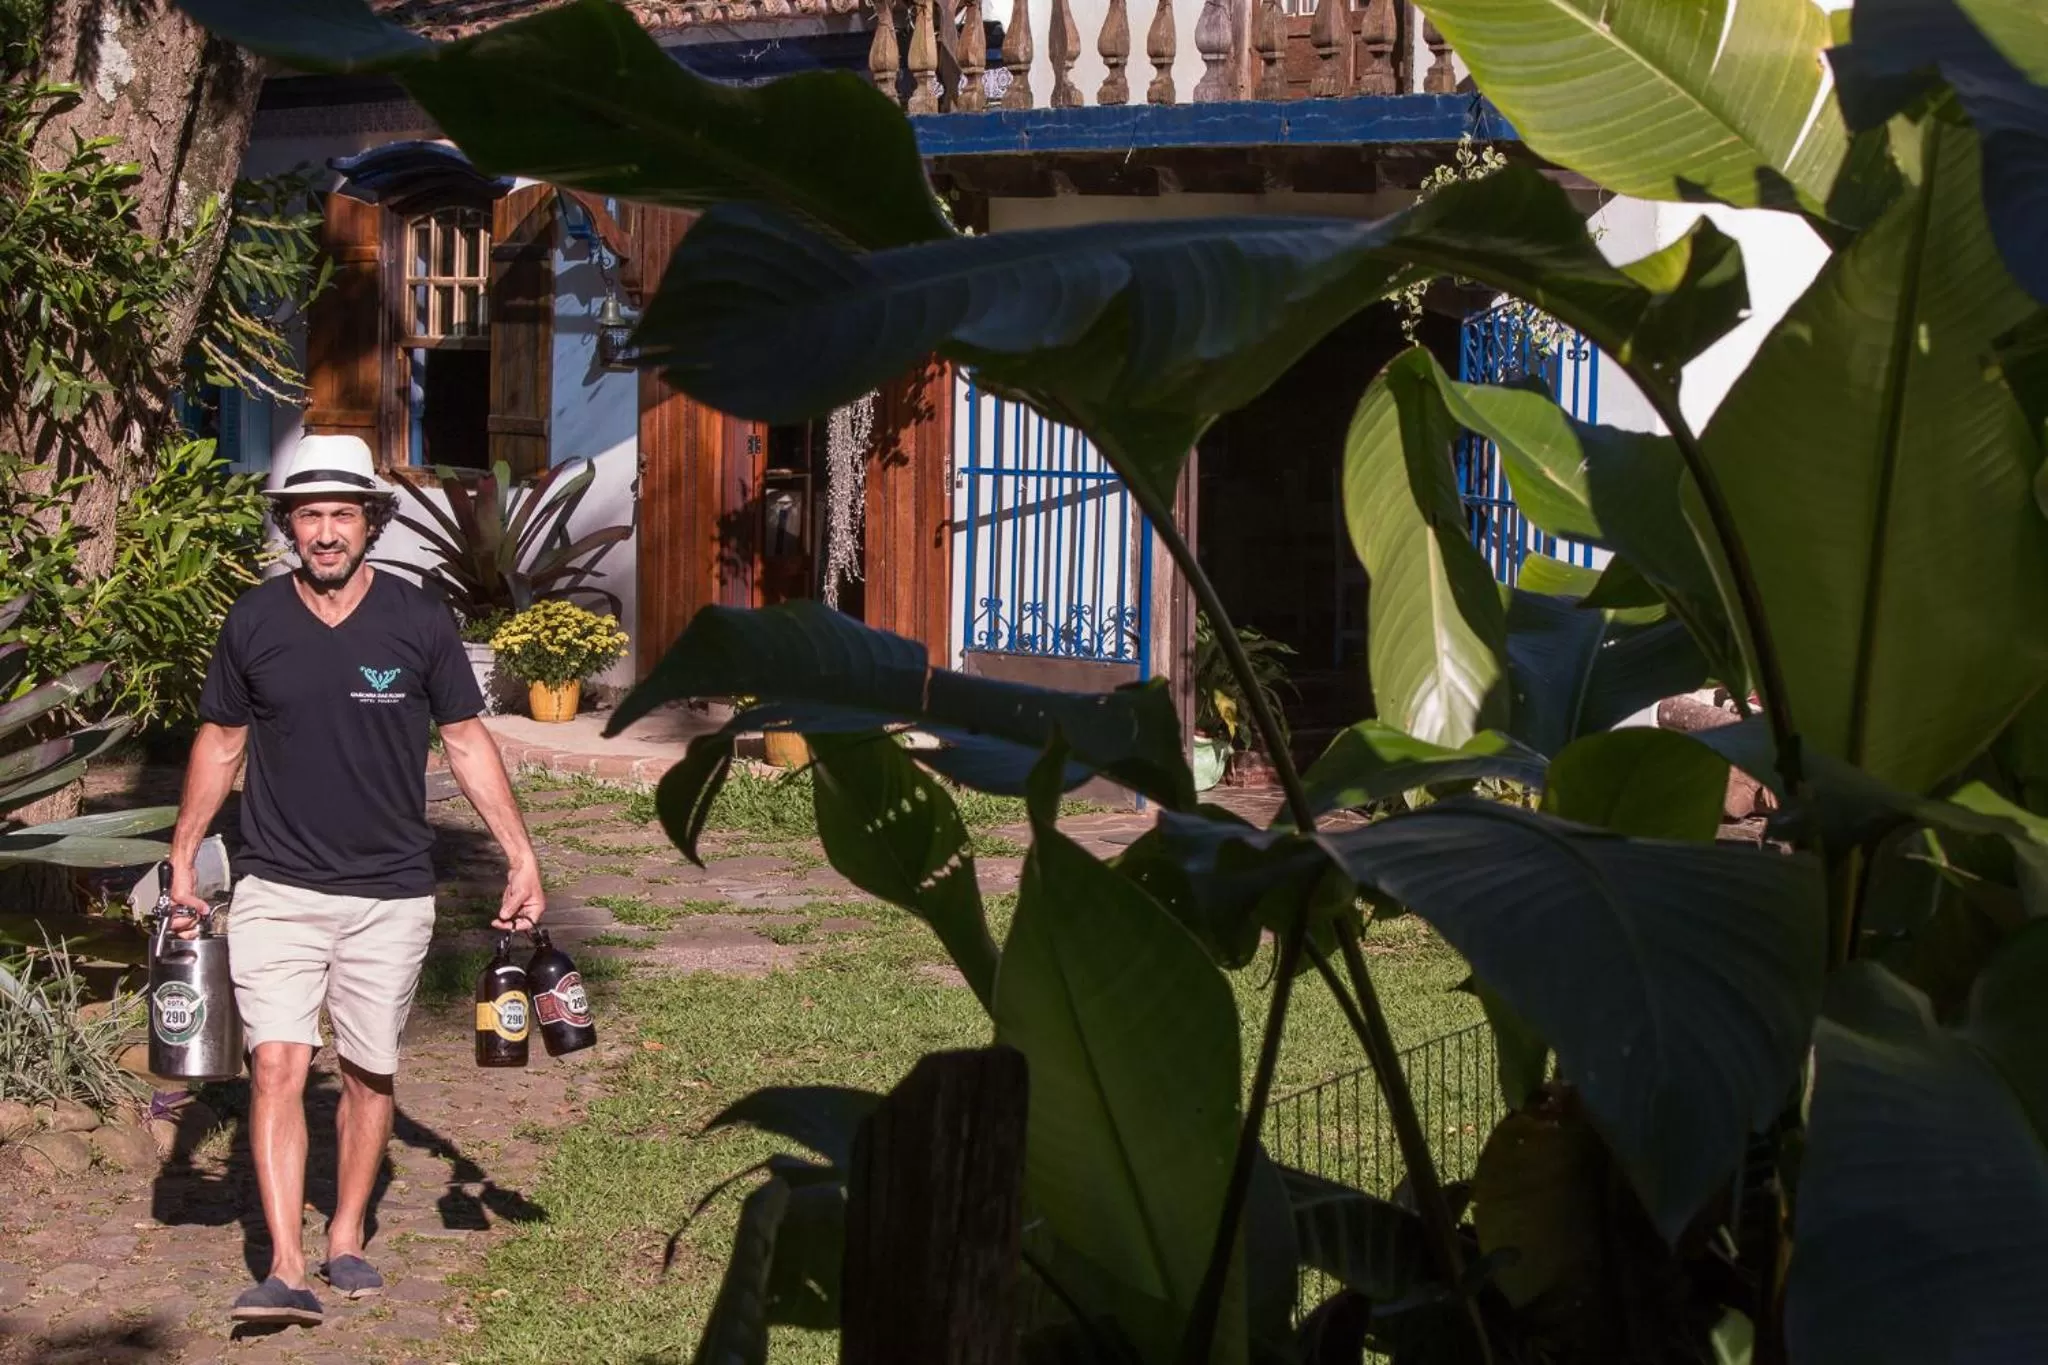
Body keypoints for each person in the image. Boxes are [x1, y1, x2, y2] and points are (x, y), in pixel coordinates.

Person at [164, 433, 545, 1327]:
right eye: (309, 515)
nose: (326, 532)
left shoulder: (417, 619)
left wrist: (520, 852)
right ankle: (286, 1267)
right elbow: (221, 742)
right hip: (277, 885)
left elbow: (464, 739)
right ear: (288, 525)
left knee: (370, 1071)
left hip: (390, 891)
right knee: (277, 1064)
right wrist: (184, 848)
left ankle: (345, 1237)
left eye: (342, 514)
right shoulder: (254, 620)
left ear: (371, 521)